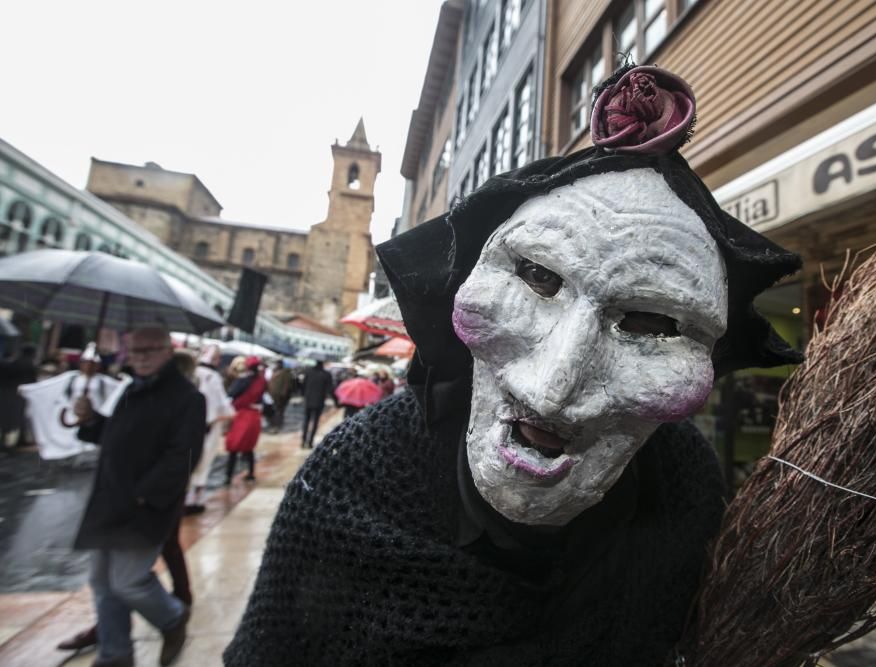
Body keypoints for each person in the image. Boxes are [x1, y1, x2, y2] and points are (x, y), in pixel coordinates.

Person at [224, 65, 802, 665]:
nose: (553, 390)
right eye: (537, 277)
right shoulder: (353, 482)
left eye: (650, 324)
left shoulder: (684, 489)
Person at [65, 326, 205, 667]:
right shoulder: (132, 390)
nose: (141, 358)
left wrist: (144, 495)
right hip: (110, 500)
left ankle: (172, 619)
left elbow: (183, 455)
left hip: (143, 507)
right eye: (136, 351)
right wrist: (91, 419)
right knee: (101, 582)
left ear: (167, 352)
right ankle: (114, 653)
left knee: (129, 582)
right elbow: (116, 436)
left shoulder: (187, 398)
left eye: (150, 350)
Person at [19, 343, 122, 461]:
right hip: (75, 409)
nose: (89, 366)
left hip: (93, 409)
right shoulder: (73, 377)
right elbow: (51, 385)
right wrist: (29, 390)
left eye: (92, 364)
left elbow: (116, 387)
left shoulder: (101, 380)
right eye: (86, 363)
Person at [185, 345, 235, 513]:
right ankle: (193, 500)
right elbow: (221, 405)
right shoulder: (212, 377)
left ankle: (188, 498)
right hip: (209, 424)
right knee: (203, 462)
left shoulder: (191, 373)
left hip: (190, 424)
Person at [224, 355, 266, 484]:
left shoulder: (243, 380)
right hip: (254, 417)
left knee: (233, 446)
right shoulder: (262, 381)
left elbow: (230, 394)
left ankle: (228, 477)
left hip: (241, 416)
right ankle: (251, 474)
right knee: (249, 447)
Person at [301, 360, 334, 449]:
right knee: (315, 422)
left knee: (306, 421)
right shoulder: (326, 374)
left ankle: (303, 441)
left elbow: (303, 386)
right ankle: (310, 442)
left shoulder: (308, 372)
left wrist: (304, 395)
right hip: (319, 401)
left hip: (308, 400)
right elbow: (330, 388)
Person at [266, 359, 294, 431]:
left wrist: (283, 394)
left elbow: (287, 385)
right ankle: (275, 423)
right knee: (274, 410)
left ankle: (278, 425)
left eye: (278, 364)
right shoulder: (274, 371)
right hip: (273, 395)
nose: (277, 365)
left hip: (281, 396)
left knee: (279, 410)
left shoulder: (285, 373)